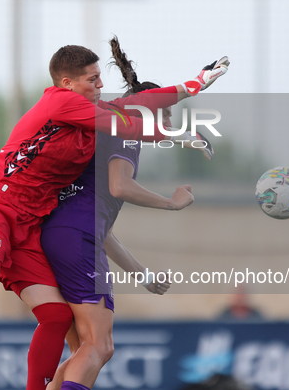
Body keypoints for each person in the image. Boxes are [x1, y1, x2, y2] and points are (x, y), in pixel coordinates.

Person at [0, 43, 229, 390]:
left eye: (101, 77)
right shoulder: (62, 102)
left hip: (31, 223)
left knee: (57, 317)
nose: (101, 85)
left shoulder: (92, 109)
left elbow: (143, 103)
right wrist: (180, 136)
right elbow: (126, 129)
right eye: (93, 79)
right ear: (68, 83)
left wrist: (197, 83)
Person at [40, 36, 216, 390]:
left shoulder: (109, 125)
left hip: (59, 237)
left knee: (81, 349)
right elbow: (120, 186)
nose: (165, 128)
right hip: (77, 239)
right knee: (99, 346)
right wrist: (171, 202)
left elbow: (102, 229)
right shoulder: (126, 129)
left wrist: (142, 274)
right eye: (165, 117)